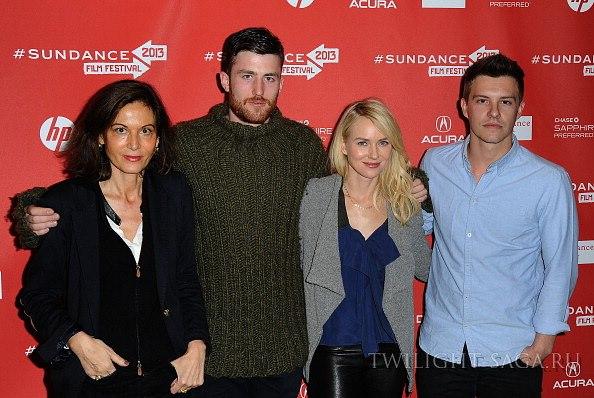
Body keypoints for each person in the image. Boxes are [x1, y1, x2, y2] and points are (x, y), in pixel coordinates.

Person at [16, 28, 429, 398]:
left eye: (271, 78)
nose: (259, 90)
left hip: (282, 350)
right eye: (247, 76)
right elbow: (118, 183)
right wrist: (34, 211)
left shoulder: (301, 145)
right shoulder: (185, 143)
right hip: (201, 354)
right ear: (224, 79)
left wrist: (411, 183)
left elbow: (355, 184)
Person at [18, 80, 209, 397]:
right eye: (121, 130)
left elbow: (186, 278)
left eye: (146, 131)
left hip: (168, 377)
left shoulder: (174, 192)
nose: (135, 144)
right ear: (99, 136)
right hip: (93, 376)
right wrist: (76, 340)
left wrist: (198, 343)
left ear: (158, 139)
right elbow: (38, 294)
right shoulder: (67, 203)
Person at [416, 54, 579, 398]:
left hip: (513, 351)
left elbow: (561, 266)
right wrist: (411, 204)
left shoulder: (548, 180)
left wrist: (543, 342)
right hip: (441, 348)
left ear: (520, 108)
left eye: (505, 102)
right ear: (464, 106)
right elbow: (421, 231)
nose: (493, 113)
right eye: (482, 101)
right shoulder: (435, 163)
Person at [300, 99, 431, 397]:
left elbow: (426, 267)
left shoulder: (402, 203)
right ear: (344, 145)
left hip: (388, 348)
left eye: (383, 142)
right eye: (363, 142)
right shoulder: (318, 195)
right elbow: (299, 262)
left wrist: (426, 207)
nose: (373, 154)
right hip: (332, 344)